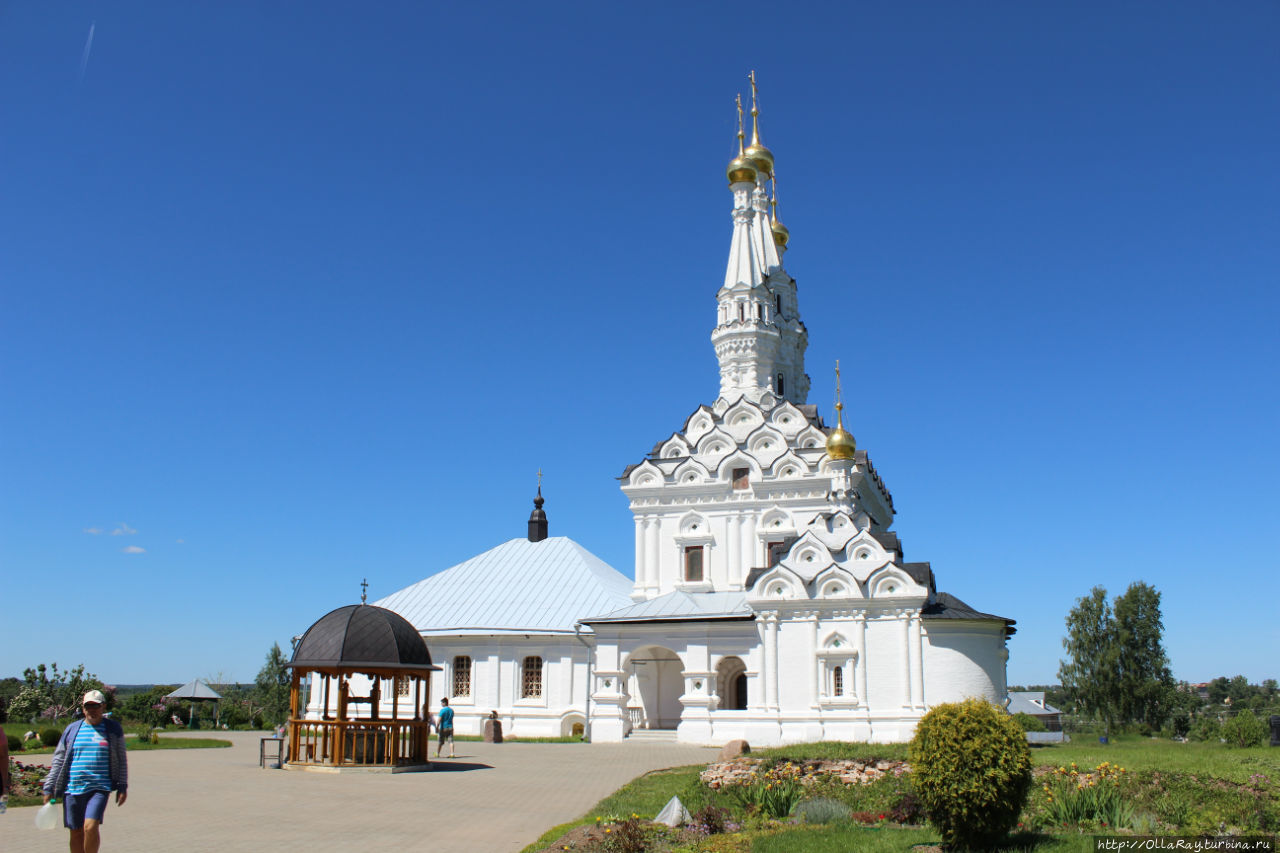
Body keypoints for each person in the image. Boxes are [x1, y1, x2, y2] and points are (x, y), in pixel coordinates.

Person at [43, 690, 128, 853]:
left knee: (90, 827)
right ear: (83, 708)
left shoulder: (112, 729)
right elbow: (58, 760)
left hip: (99, 788)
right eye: (88, 706)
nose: (92, 710)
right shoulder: (72, 730)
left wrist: (122, 786)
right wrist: (49, 787)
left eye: (96, 706)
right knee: (76, 833)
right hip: (73, 789)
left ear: (103, 707)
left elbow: (121, 759)